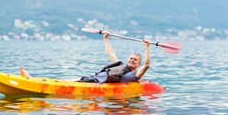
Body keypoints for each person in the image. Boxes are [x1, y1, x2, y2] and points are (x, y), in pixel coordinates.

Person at [20, 31, 150, 83]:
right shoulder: (121, 67)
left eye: (135, 59)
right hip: (92, 78)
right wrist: (105, 38)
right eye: (131, 58)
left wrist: (147, 48)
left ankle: (31, 79)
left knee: (64, 82)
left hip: (95, 84)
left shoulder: (134, 75)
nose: (132, 60)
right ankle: (33, 79)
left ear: (138, 64)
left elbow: (147, 65)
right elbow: (111, 53)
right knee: (63, 80)